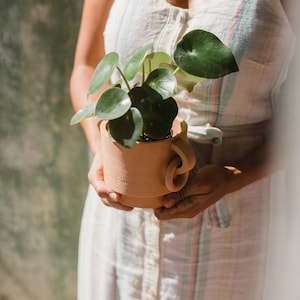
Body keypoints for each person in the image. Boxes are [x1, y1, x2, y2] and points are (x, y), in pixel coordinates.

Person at [70, 0, 296, 299]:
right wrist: (104, 151)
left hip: (235, 231)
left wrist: (233, 177)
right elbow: (86, 66)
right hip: (119, 227)